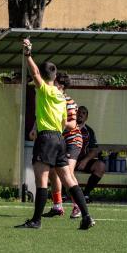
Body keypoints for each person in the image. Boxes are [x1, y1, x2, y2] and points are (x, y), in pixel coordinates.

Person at [15, 39, 94, 230]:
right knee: (68, 179)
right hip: (60, 139)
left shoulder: (45, 90)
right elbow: (63, 121)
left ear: (42, 77)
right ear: (55, 75)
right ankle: (86, 216)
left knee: (41, 180)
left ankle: (36, 221)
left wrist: (28, 54)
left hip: (46, 138)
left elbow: (34, 73)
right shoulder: (61, 97)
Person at [41, 72, 83, 218]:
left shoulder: (69, 102)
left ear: (61, 86)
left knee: (68, 173)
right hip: (59, 141)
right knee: (53, 173)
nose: (51, 84)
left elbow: (72, 125)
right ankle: (57, 206)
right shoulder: (51, 99)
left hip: (72, 140)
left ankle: (78, 207)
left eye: (55, 82)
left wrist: (58, 122)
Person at [75, 105, 106, 209]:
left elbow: (94, 150)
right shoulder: (67, 128)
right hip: (68, 160)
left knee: (100, 166)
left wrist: (85, 160)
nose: (80, 114)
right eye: (78, 112)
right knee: (60, 166)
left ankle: (86, 194)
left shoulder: (89, 131)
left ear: (86, 117)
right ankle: (63, 194)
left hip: (82, 161)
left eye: (83, 113)